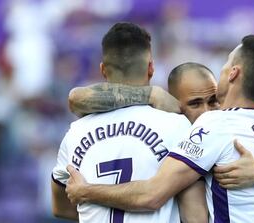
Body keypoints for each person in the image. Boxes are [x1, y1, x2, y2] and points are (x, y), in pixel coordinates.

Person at [65, 35, 254, 222]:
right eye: (194, 104)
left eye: (211, 101)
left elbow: (152, 196)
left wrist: (86, 191)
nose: (205, 111)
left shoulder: (215, 126)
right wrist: (149, 94)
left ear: (233, 73)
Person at [51, 22, 204, 223]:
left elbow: (61, 207)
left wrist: (96, 202)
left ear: (103, 70)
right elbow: (196, 217)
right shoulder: (177, 126)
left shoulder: (75, 133)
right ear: (151, 67)